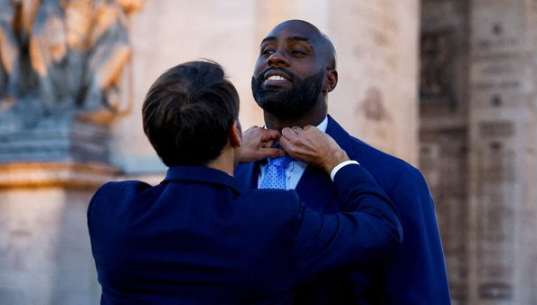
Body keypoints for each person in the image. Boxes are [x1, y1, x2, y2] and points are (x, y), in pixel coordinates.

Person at [87, 60, 402, 304]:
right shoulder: (270, 219)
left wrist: (228, 152)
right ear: (234, 134)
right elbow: (383, 228)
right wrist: (336, 160)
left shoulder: (111, 208)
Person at [237, 20, 451, 304]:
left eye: (298, 52)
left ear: (330, 80)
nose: (275, 57)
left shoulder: (395, 180)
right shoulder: (230, 171)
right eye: (266, 51)